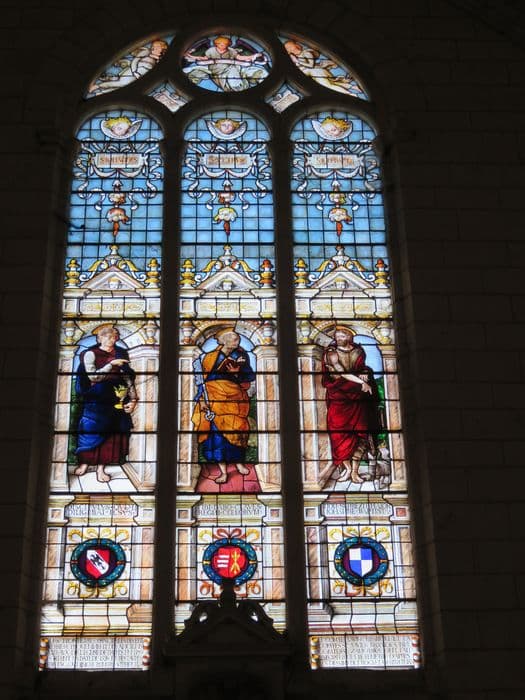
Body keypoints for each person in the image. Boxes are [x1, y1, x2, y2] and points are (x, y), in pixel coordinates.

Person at [74, 325, 137, 483]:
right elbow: (93, 377)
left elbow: (127, 378)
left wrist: (133, 399)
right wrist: (111, 364)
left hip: (116, 398)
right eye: (108, 336)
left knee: (110, 435)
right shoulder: (90, 354)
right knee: (90, 430)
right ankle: (84, 463)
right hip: (95, 399)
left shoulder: (121, 353)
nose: (112, 339)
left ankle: (101, 468)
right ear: (99, 338)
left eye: (114, 337)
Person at [192, 330, 255, 484]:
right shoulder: (210, 357)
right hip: (214, 397)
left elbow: (249, 376)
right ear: (225, 341)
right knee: (217, 435)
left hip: (235, 397)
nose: (237, 342)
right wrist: (202, 400)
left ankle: (239, 463)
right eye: (234, 339)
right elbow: (202, 380)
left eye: (238, 339)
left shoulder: (241, 355)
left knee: (239, 429)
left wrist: (236, 373)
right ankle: (223, 471)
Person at [322, 326, 381, 484]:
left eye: (342, 335)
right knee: (338, 435)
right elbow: (340, 371)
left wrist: (365, 372)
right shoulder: (331, 352)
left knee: (359, 434)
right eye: (337, 336)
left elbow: (361, 368)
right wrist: (361, 382)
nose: (338, 338)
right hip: (338, 397)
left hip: (357, 398)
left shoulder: (358, 351)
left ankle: (354, 472)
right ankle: (347, 468)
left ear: (349, 336)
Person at [184, 35, 267, 91]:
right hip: (215, 71)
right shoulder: (211, 50)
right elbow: (204, 59)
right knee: (194, 73)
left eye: (226, 44)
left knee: (236, 86)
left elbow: (240, 58)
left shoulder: (231, 50)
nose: (224, 46)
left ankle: (246, 82)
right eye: (222, 44)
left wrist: (253, 56)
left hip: (230, 68)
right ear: (217, 44)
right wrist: (192, 57)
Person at [88, 39, 168, 96]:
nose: (153, 48)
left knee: (121, 87)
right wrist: (134, 72)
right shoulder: (146, 52)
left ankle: (100, 93)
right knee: (121, 83)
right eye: (153, 46)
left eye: (157, 47)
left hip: (141, 77)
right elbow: (135, 61)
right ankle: (97, 86)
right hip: (133, 72)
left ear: (162, 49)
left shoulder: (159, 60)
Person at [284, 40, 360, 96]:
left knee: (329, 86)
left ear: (296, 45)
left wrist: (298, 61)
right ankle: (353, 87)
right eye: (287, 49)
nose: (289, 50)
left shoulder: (306, 53)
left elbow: (310, 65)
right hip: (312, 75)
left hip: (316, 72)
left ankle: (350, 94)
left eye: (289, 47)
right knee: (332, 83)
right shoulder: (296, 57)